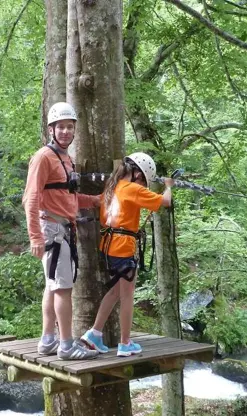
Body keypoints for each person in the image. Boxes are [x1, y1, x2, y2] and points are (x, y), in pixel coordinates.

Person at [23, 102, 101, 361]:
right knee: (63, 289)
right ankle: (66, 345)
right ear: (51, 129)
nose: (66, 131)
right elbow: (31, 198)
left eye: (70, 127)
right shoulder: (43, 157)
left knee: (53, 286)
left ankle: (48, 340)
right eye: (61, 127)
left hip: (63, 228)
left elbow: (69, 198)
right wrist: (35, 236)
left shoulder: (67, 159)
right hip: (52, 231)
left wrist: (96, 200)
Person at [80, 153, 174, 356]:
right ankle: (125, 342)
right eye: (143, 180)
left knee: (115, 291)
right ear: (138, 174)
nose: (143, 184)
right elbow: (166, 201)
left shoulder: (112, 187)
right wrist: (168, 185)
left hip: (109, 245)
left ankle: (94, 333)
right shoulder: (133, 188)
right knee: (127, 295)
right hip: (123, 247)